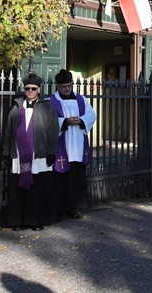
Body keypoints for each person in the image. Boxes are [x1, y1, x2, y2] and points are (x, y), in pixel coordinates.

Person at [2, 73, 59, 231]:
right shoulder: (17, 106)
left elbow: (53, 130)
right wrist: (7, 152)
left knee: (37, 189)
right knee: (19, 189)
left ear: (39, 90)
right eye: (27, 88)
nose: (30, 91)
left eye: (33, 89)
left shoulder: (47, 107)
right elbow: (8, 131)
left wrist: (51, 152)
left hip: (38, 154)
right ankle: (18, 221)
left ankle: (36, 221)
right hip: (19, 154)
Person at [50, 69, 96, 220]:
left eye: (69, 86)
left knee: (75, 178)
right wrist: (64, 121)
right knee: (60, 179)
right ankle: (59, 208)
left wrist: (81, 120)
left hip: (77, 144)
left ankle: (74, 208)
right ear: (58, 86)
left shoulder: (81, 99)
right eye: (63, 86)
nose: (67, 89)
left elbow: (91, 115)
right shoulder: (52, 101)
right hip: (62, 145)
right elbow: (48, 120)